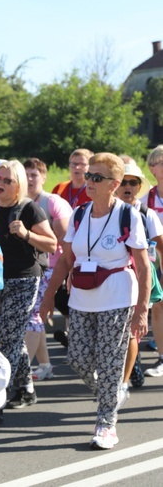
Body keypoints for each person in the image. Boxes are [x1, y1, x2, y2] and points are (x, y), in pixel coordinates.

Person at [40, 152, 150, 450]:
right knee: (77, 358)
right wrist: (49, 296)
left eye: (96, 178)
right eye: (88, 175)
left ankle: (106, 425)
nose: (89, 181)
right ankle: (111, 393)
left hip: (117, 297)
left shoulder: (127, 215)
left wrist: (141, 309)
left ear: (113, 184)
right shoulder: (79, 213)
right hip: (81, 299)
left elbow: (142, 266)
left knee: (109, 361)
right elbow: (65, 259)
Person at [0, 160, 56, 421]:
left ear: (18, 184)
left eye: (7, 180)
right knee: (10, 335)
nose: (0, 184)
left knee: (7, 340)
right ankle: (25, 388)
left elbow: (52, 245)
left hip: (23, 281)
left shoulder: (29, 209)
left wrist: (26, 234)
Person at [113, 161, 160, 402]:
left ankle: (123, 380)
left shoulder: (146, 213)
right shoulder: (104, 212)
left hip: (140, 277)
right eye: (123, 182)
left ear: (139, 186)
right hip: (110, 279)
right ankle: (132, 365)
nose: (128, 186)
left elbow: (160, 246)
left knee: (132, 331)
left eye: (133, 182)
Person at [23, 158, 72, 381]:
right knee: (37, 317)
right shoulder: (19, 202)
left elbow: (66, 241)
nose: (30, 179)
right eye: (26, 175)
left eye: (34, 175)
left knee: (33, 317)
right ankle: (44, 365)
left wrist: (68, 273)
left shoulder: (52, 203)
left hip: (52, 270)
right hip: (27, 270)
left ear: (43, 177)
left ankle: (20, 374)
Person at [143, 145, 163, 377]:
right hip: (156, 260)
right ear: (152, 168)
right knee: (158, 308)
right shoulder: (145, 198)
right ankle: (161, 358)